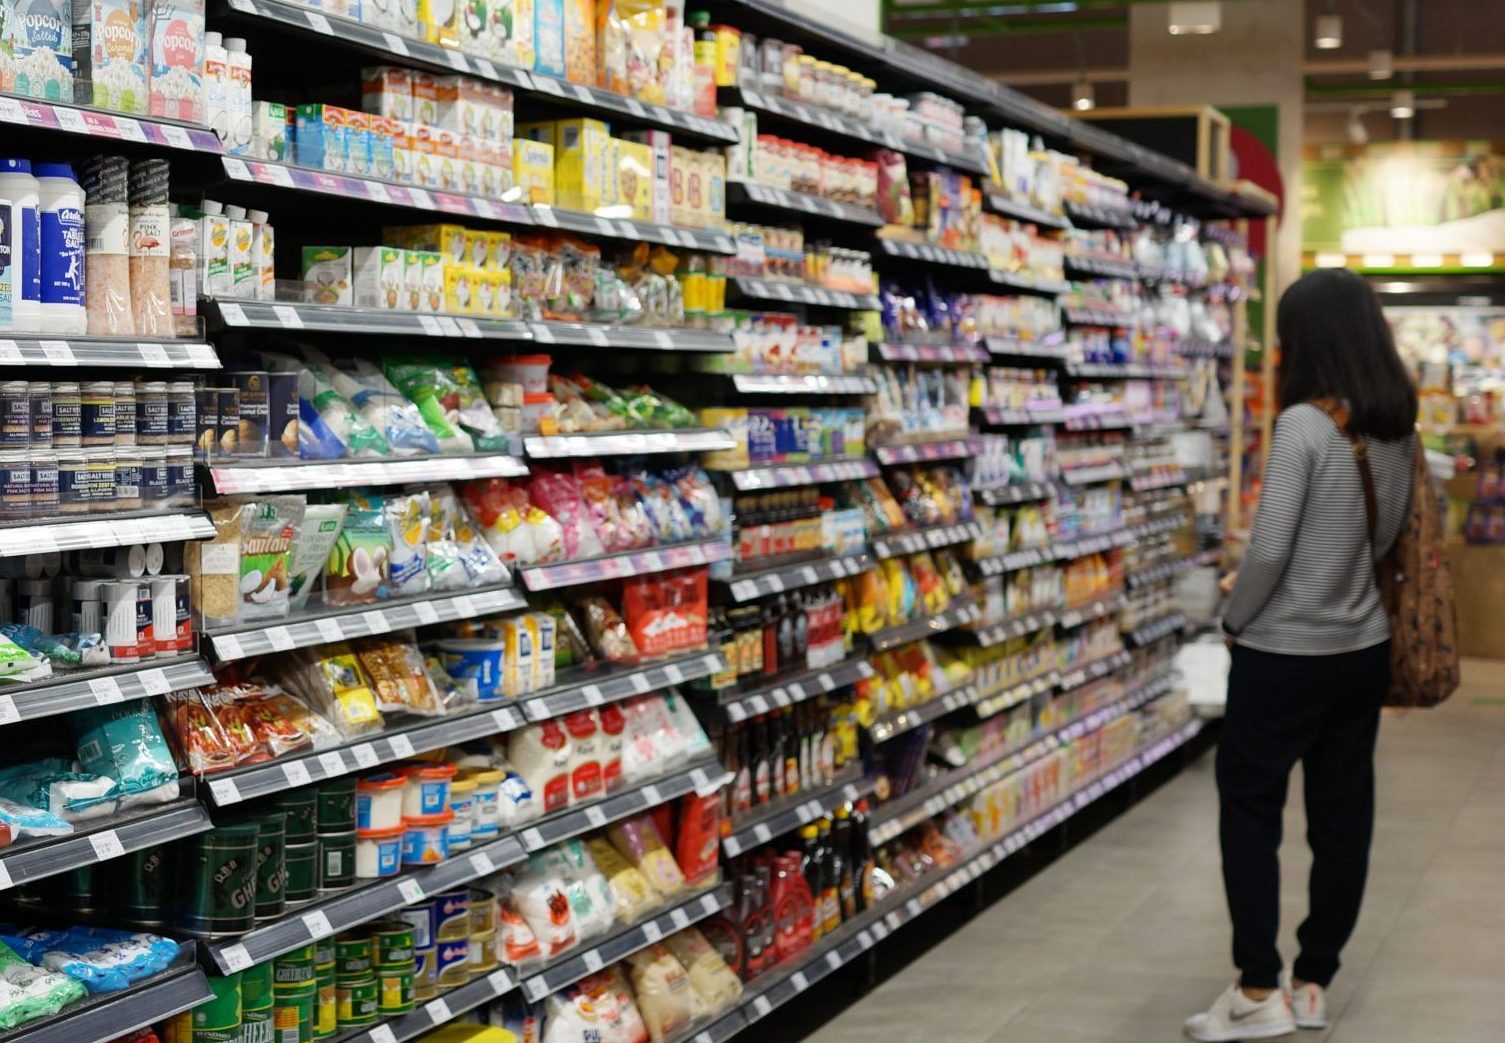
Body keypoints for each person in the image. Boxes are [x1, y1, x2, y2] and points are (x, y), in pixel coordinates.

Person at [1185, 268, 1417, 1042]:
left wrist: (1234, 615)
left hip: (1283, 652)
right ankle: (1313, 980)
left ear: (1305, 340)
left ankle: (1258, 986)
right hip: (1361, 648)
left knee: (1250, 810)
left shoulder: (1301, 426)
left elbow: (1271, 548)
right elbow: (1380, 539)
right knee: (1341, 816)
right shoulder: (1396, 426)